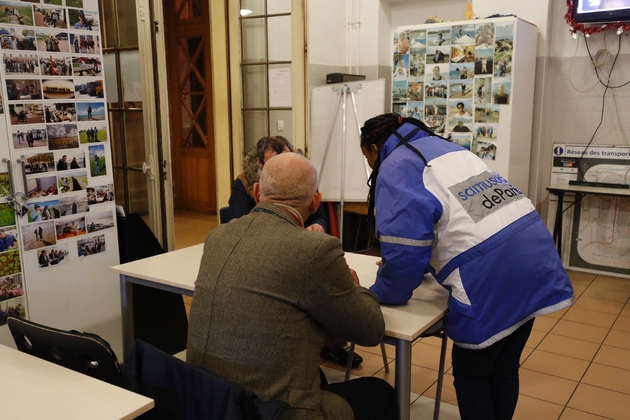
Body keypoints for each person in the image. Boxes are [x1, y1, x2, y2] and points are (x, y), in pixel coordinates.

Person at [358, 113, 574, 420]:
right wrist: (412, 263)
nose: (369, 165)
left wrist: (378, 292)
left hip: (492, 273)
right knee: (503, 367)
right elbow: (456, 219)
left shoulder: (396, 166)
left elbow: (405, 259)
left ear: (374, 149)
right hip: (535, 257)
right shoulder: (447, 148)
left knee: (473, 376)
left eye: (366, 157)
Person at [187, 153, 398, 420]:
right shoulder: (315, 249)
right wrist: (354, 284)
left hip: (208, 400)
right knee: (379, 392)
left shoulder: (218, 236)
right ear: (315, 201)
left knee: (316, 374)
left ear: (257, 192)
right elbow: (370, 331)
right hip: (267, 411)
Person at [227, 136, 361, 367]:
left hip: (301, 251)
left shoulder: (302, 175)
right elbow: (239, 221)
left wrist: (319, 225)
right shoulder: (244, 184)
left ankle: (331, 345)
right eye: (274, 161)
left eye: (286, 157)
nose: (283, 165)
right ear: (260, 164)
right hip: (264, 255)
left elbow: (318, 215)